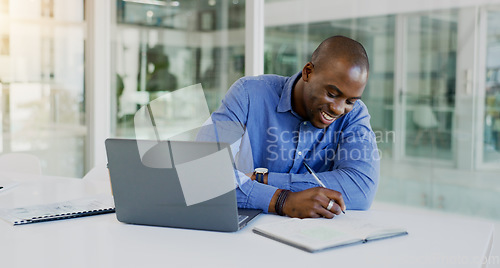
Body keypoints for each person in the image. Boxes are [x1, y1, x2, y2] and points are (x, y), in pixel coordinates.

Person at [205, 35, 379, 219]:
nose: (338, 109)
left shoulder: (355, 115)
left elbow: (361, 188)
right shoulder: (248, 94)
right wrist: (281, 200)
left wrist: (261, 179)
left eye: (350, 101)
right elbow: (199, 172)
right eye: (331, 94)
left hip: (316, 238)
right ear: (308, 72)